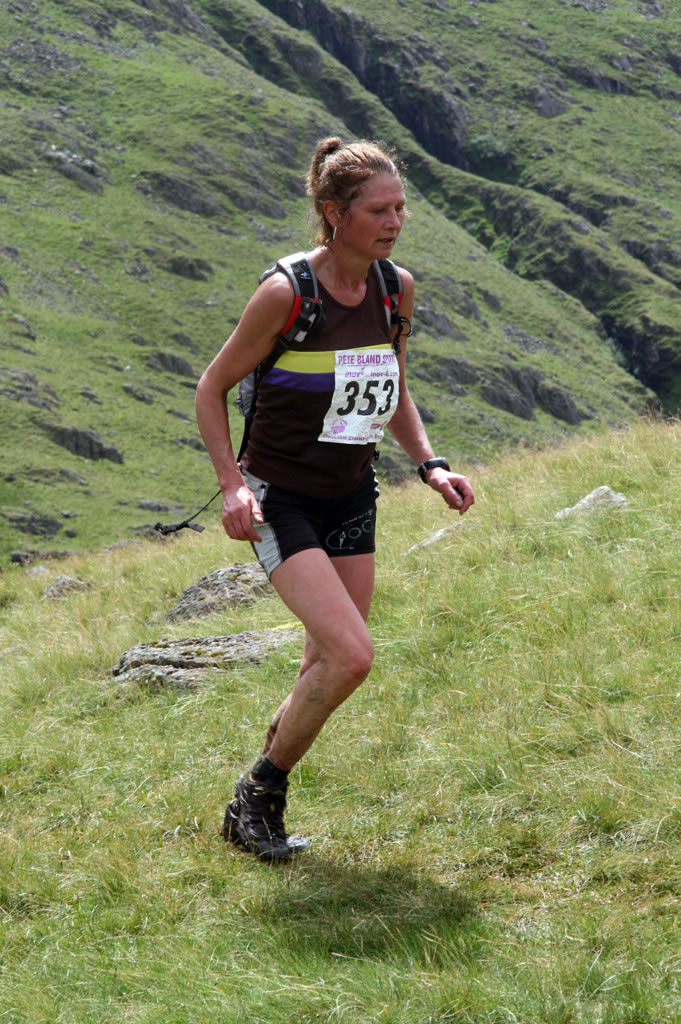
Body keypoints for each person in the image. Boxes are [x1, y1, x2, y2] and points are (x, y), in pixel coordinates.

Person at [195, 136, 475, 862]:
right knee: (352, 657)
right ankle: (257, 793)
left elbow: (394, 386)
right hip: (279, 500)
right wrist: (231, 485)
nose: (395, 221)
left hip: (351, 495)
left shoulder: (394, 289)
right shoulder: (288, 293)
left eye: (400, 207)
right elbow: (211, 387)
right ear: (333, 212)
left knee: (323, 662)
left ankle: (253, 811)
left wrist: (431, 465)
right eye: (378, 210)